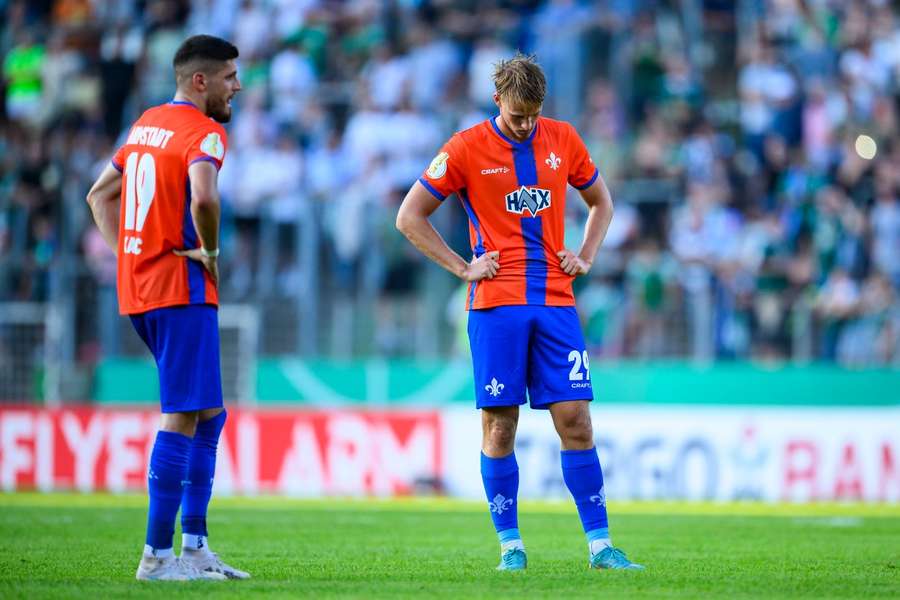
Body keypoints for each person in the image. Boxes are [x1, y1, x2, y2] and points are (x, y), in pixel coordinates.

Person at [396, 53, 642, 571]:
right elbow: (409, 216)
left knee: (576, 420)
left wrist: (587, 254)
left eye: (532, 115)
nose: (525, 124)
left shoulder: (564, 139)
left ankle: (601, 547)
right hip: (496, 305)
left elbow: (602, 201)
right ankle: (511, 547)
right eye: (515, 116)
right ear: (496, 102)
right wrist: (463, 267)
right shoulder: (464, 147)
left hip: (555, 302)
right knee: (500, 428)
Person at [86, 34, 248, 581]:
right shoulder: (206, 132)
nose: (238, 86)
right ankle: (157, 557)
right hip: (182, 288)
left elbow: (98, 195)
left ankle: (196, 548)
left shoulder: (146, 124)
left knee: (209, 412)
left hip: (143, 288)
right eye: (229, 76)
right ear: (199, 81)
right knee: (182, 415)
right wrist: (211, 250)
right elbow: (204, 196)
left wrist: (131, 257)